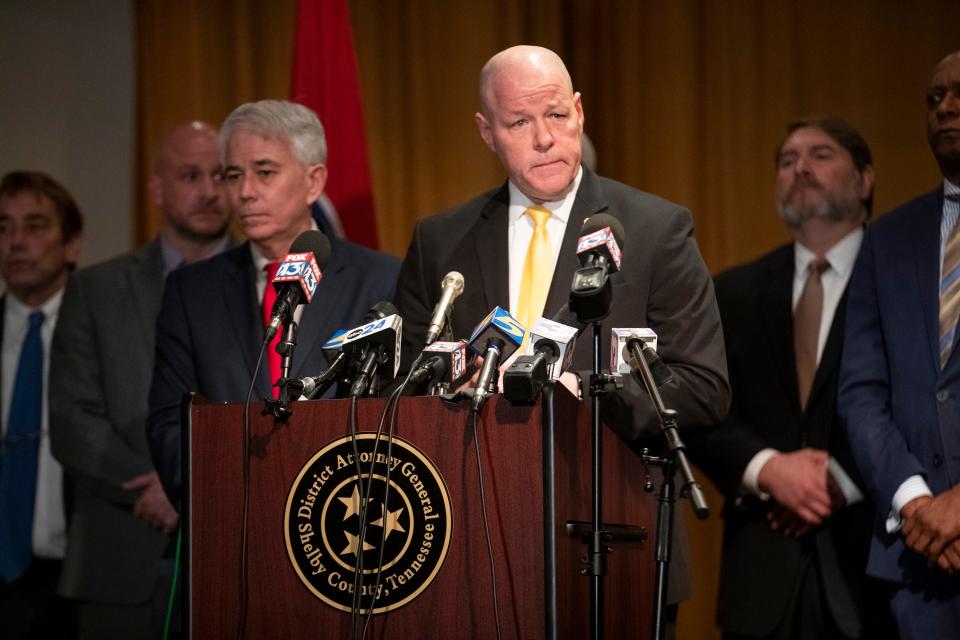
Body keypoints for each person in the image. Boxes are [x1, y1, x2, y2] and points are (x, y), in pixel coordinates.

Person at [392, 45, 730, 627]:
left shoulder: (654, 228)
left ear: (579, 111)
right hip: (474, 548)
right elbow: (400, 388)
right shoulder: (440, 240)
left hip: (617, 543)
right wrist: (450, 384)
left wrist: (590, 389)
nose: (544, 138)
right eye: (519, 122)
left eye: (555, 115)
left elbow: (703, 388)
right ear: (486, 132)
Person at [686, 116, 894, 640]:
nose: (800, 166)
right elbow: (699, 407)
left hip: (876, 568)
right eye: (787, 160)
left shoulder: (904, 281)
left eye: (821, 154)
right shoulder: (732, 292)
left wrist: (839, 480)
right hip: (761, 573)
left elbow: (923, 400)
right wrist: (768, 469)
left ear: (865, 180)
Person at [147, 100, 401, 506]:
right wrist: (239, 493)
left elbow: (399, 416)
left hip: (344, 518)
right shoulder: (191, 291)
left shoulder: (382, 280)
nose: (245, 192)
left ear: (313, 182)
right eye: (234, 175)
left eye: (265, 172)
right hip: (228, 519)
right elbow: (168, 425)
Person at [48, 121, 233, 638]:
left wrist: (197, 488)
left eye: (221, 175)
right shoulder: (96, 289)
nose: (210, 191)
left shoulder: (267, 281)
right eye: (190, 175)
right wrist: (154, 486)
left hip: (236, 554)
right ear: (157, 189)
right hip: (119, 552)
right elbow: (70, 415)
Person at [839, 50, 960, 638]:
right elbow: (860, 395)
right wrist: (916, 502)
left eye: (959, 93)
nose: (946, 108)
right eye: (934, 98)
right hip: (919, 560)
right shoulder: (887, 237)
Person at [0, 170, 83, 637]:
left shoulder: (103, 335)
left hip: (76, 579)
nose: (16, 242)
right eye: (3, 227)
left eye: (34, 226)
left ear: (71, 244)